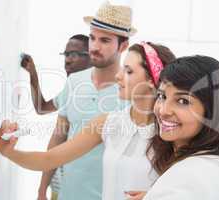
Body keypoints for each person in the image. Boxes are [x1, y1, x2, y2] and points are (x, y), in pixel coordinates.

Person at [0, 42, 176, 200]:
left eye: (128, 71)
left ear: (152, 81)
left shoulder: (172, 133)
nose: (118, 76)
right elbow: (49, 159)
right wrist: (9, 152)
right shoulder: (107, 123)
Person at [20, 2, 136, 200]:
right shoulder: (74, 82)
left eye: (105, 40)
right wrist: (41, 189)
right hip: (68, 194)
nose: (95, 47)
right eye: (92, 38)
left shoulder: (131, 92)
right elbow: (58, 138)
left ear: (123, 46)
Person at [141, 55, 219, 200]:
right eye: (162, 96)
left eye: (182, 101)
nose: (163, 111)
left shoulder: (186, 179)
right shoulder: (218, 164)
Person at [21, 34, 91, 200]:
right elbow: (42, 108)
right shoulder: (71, 88)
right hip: (60, 186)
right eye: (66, 55)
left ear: (92, 58)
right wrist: (33, 73)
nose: (67, 60)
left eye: (74, 54)